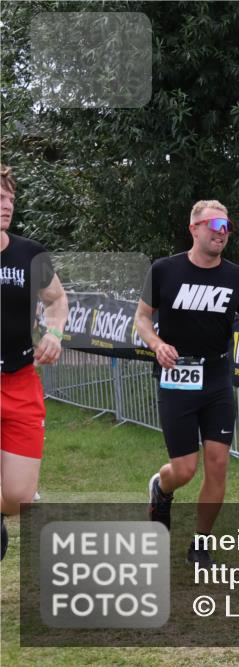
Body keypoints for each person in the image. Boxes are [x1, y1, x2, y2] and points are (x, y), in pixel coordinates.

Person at [135, 200, 239, 565]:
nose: (221, 232)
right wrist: (157, 344)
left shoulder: (238, 277)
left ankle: (201, 542)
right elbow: (142, 319)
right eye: (214, 225)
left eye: (227, 226)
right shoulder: (164, 270)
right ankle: (161, 490)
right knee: (184, 470)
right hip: (177, 377)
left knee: (218, 463)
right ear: (194, 229)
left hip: (217, 377)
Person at [0, 164, 68, 560]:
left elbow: (56, 299)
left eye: (10, 198)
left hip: (20, 380)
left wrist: (54, 332)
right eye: (0, 198)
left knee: (20, 497)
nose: (7, 205)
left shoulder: (30, 254)